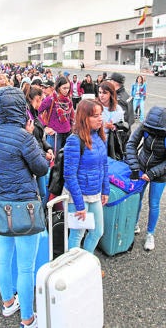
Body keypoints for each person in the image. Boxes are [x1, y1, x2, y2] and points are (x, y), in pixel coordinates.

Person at [0, 86, 49, 328]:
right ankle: (28, 319)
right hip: (25, 206)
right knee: (26, 267)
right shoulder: (24, 136)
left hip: (2, 204)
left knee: (4, 258)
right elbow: (41, 168)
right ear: (18, 108)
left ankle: (8, 303)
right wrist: (31, 136)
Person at [125, 106, 166, 251]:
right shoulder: (146, 125)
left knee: (154, 203)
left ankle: (150, 234)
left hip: (159, 175)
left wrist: (152, 174)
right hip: (142, 167)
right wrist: (135, 167)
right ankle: (134, 225)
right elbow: (131, 144)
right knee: (137, 198)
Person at [64, 99, 110, 253]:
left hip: (95, 193)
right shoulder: (74, 140)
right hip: (78, 196)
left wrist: (105, 190)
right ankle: (74, 271)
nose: (100, 118)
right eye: (95, 115)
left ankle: (85, 264)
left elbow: (104, 165)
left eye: (100, 114)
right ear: (84, 118)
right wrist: (79, 205)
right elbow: (69, 175)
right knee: (77, 235)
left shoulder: (99, 137)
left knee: (97, 231)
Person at [26, 86, 54, 206]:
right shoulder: (27, 117)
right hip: (36, 158)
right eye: (41, 99)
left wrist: (48, 148)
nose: (42, 102)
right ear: (36, 98)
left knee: (42, 190)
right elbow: (31, 141)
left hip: (40, 155)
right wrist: (44, 154)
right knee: (41, 192)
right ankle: (41, 216)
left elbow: (40, 137)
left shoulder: (34, 114)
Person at [38, 77, 74, 153]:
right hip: (54, 135)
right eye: (64, 88)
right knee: (53, 160)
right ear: (58, 88)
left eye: (68, 88)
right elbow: (36, 112)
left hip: (67, 134)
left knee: (64, 160)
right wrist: (44, 126)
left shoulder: (68, 100)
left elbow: (71, 116)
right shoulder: (50, 99)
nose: (66, 90)